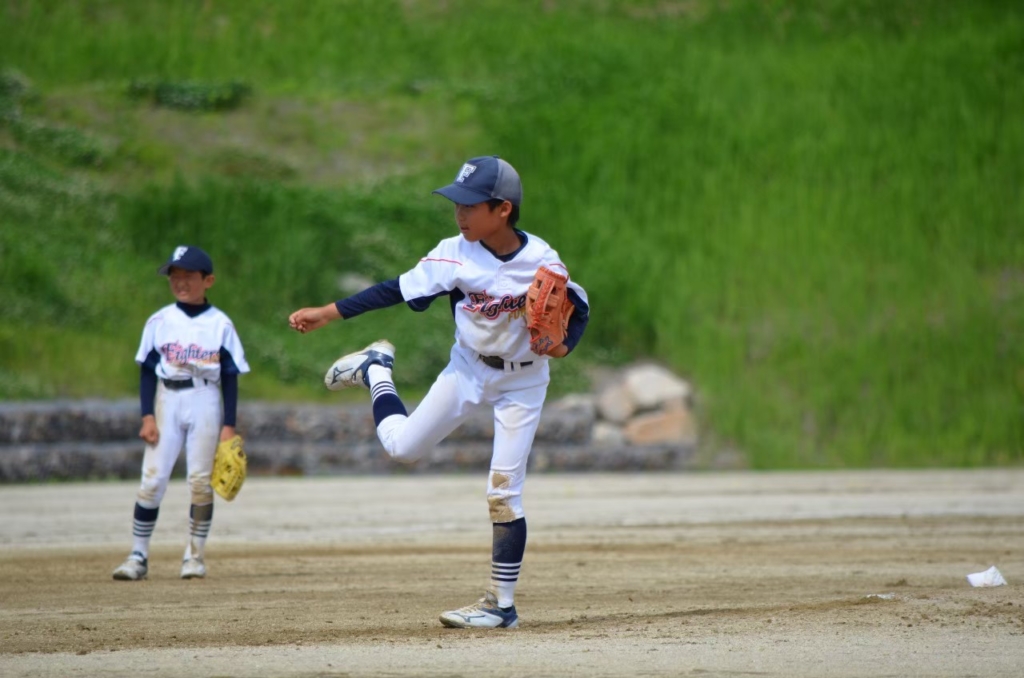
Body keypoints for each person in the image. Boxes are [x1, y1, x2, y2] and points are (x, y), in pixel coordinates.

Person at [288, 155, 590, 628]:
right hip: (468, 369)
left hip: (524, 381)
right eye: (457, 203)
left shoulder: (542, 260)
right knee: (402, 448)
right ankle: (375, 371)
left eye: (471, 205)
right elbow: (395, 289)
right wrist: (328, 313)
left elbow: (579, 305)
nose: (460, 213)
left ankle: (501, 606)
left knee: (504, 493)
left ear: (503, 210)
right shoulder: (454, 253)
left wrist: (564, 346)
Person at [112, 245, 250, 581]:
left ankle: (194, 556)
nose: (180, 282)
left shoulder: (220, 324)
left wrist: (229, 425)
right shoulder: (160, 320)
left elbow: (230, 376)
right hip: (167, 400)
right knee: (152, 480)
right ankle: (138, 555)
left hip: (205, 398)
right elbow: (148, 371)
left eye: (188, 275)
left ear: (208, 280)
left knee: (200, 481)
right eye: (174, 276)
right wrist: (147, 416)